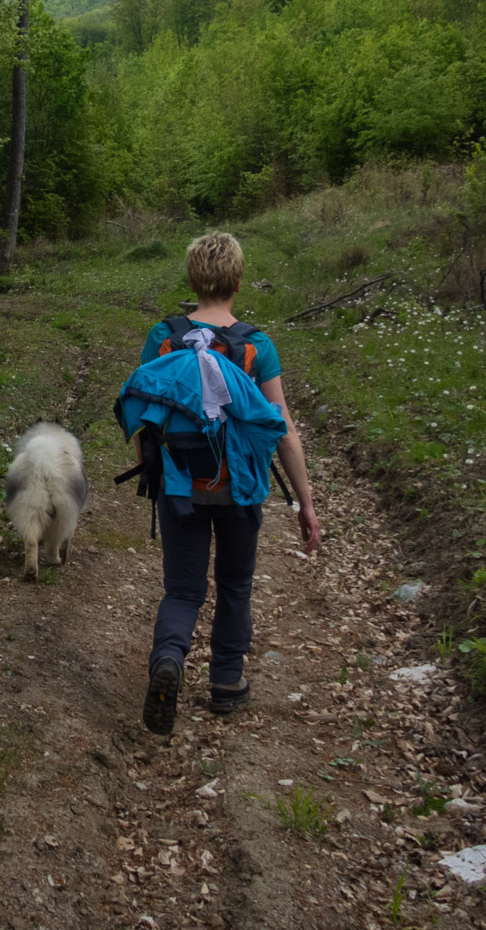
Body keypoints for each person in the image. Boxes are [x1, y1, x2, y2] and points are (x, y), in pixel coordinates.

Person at [139, 231, 322, 736]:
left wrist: (156, 476)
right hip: (239, 487)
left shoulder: (164, 337)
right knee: (236, 584)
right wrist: (305, 503)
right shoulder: (256, 345)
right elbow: (281, 430)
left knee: (182, 589)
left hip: (180, 485)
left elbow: (146, 416)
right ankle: (226, 683)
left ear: (192, 279)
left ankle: (169, 658)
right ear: (238, 280)